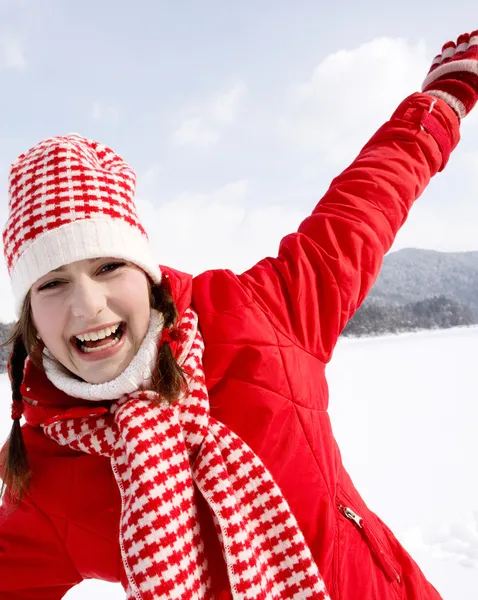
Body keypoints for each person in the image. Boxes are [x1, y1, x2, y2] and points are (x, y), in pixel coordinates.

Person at [0, 30, 476, 600]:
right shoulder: (44, 473)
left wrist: (441, 101)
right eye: (52, 283)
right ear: (30, 316)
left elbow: (365, 205)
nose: (87, 305)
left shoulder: (259, 314)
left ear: (146, 273)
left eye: (108, 268)